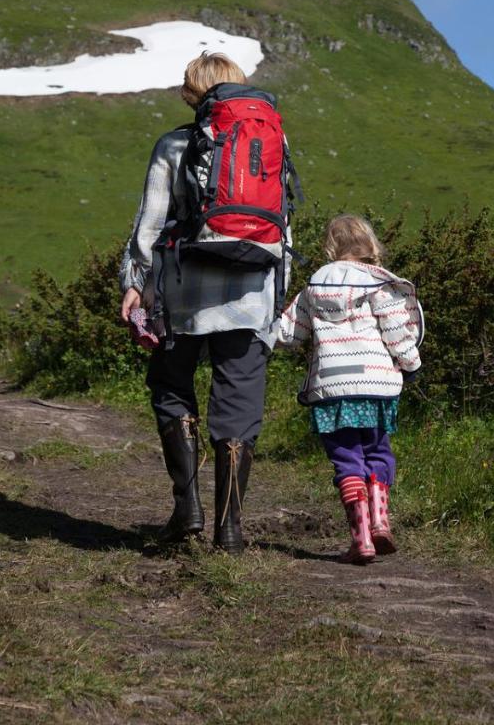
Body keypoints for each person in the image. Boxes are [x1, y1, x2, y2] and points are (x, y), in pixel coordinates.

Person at [119, 52, 292, 554]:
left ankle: (186, 507)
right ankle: (230, 529)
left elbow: (150, 224)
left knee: (172, 386)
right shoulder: (272, 138)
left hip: (182, 294)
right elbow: (284, 224)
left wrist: (135, 284)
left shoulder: (174, 144)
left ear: (192, 94)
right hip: (251, 292)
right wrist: (279, 295)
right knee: (238, 403)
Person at [277, 214, 422, 565]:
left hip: (332, 389)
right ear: (370, 245)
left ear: (331, 247)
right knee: (378, 451)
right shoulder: (378, 284)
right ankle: (380, 522)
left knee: (347, 458)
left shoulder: (314, 284)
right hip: (377, 385)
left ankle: (361, 540)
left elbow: (288, 334)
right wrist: (412, 363)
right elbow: (397, 332)